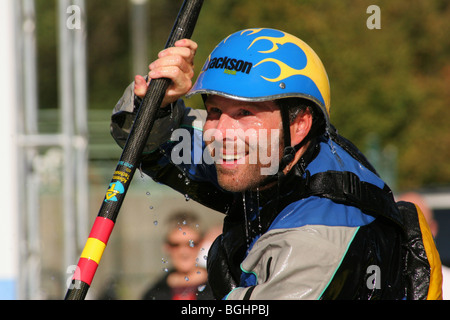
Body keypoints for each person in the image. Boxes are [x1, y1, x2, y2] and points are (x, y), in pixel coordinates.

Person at [111, 28, 442, 299]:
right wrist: (156, 103)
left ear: (299, 124)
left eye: (244, 113)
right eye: (214, 110)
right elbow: (142, 144)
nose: (220, 133)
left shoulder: (316, 235)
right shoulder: (267, 157)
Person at [141, 211, 213, 300]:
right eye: (175, 245)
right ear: (166, 247)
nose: (184, 252)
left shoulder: (219, 288)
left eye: (191, 244)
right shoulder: (154, 294)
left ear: (201, 244)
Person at [397, 192, 450, 300]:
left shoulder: (448, 284)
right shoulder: (378, 280)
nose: (409, 235)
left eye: (416, 228)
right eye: (401, 226)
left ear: (433, 229)